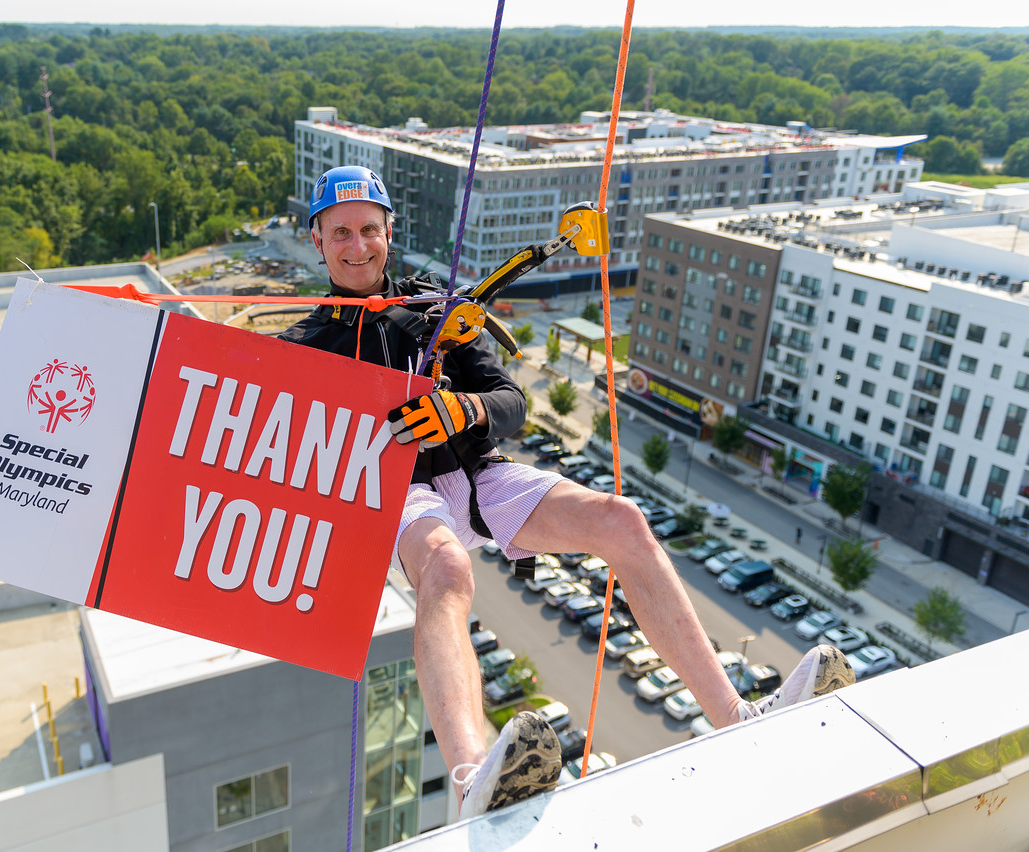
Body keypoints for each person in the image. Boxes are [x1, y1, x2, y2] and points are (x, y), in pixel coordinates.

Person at [280, 166, 854, 820]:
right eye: (341, 234)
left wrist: (463, 409)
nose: (358, 246)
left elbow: (511, 403)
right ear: (318, 241)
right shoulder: (304, 346)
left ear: (388, 233)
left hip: (477, 474)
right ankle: (472, 779)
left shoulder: (433, 310)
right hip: (400, 491)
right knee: (445, 568)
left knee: (622, 521)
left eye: (370, 230)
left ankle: (735, 714)